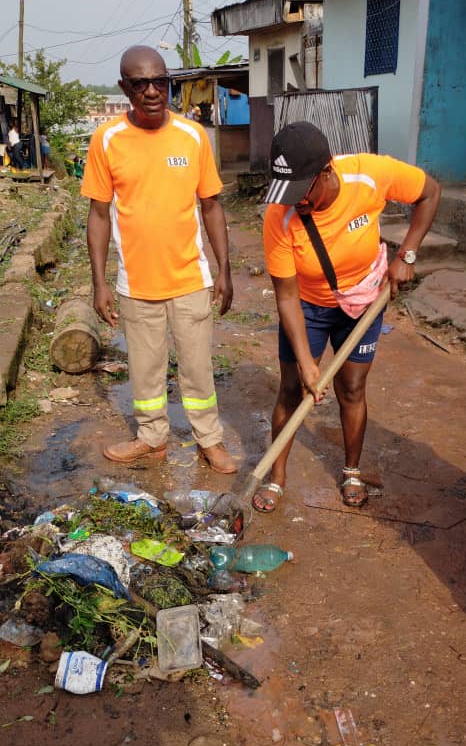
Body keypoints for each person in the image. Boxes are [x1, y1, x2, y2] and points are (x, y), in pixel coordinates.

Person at [253, 121, 440, 513]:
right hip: (307, 305)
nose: (294, 202)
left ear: (327, 171)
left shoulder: (368, 174)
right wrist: (306, 362)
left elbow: (429, 192)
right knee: (292, 388)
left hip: (365, 298)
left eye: (301, 192)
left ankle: (352, 470)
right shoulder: (280, 216)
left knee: (352, 388)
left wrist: (406, 255)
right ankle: (276, 476)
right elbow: (286, 296)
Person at [81, 45, 237, 473]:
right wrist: (99, 283)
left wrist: (224, 270)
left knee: (198, 371)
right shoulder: (107, 140)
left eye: (160, 82)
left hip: (190, 279)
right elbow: (97, 215)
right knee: (146, 374)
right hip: (137, 285)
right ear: (124, 87)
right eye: (140, 83)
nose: (152, 91)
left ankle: (210, 439)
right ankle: (152, 439)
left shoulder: (192, 137)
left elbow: (211, 206)